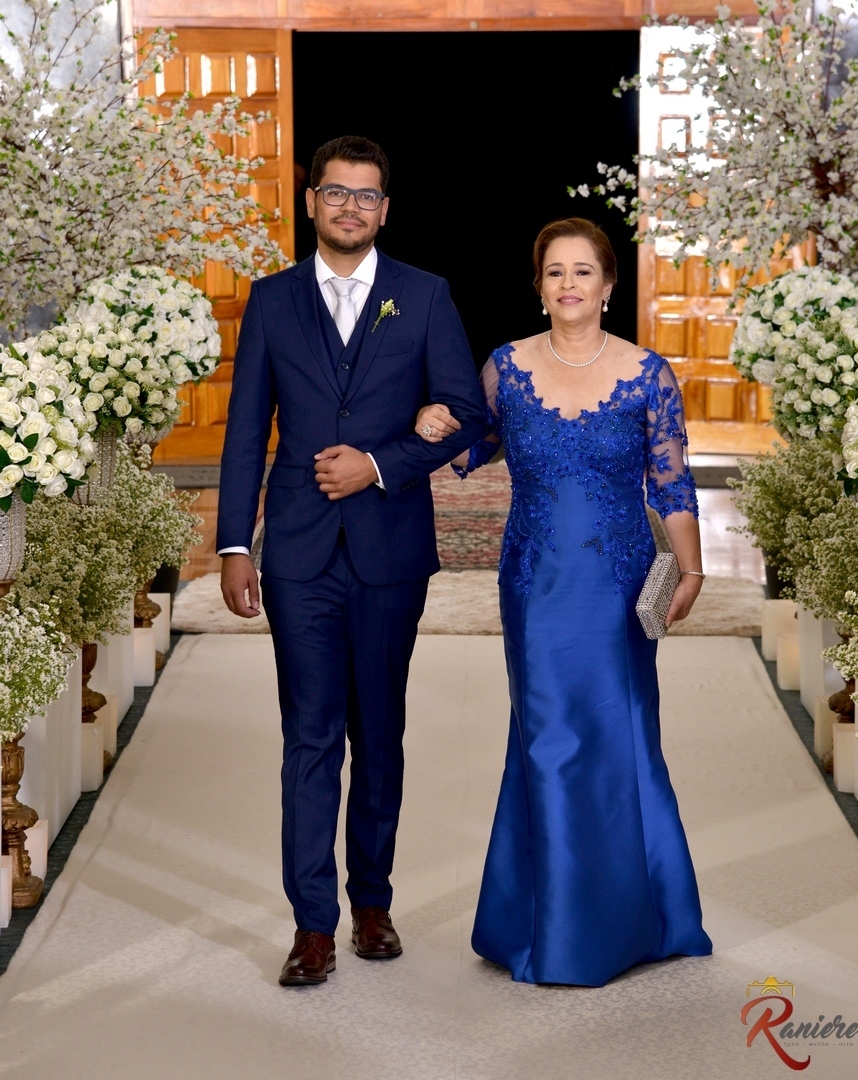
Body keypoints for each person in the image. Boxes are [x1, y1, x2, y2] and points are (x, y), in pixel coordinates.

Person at [217, 135, 487, 986]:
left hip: (388, 551)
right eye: (335, 191)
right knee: (309, 734)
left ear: (384, 210)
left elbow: (467, 412)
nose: (349, 207)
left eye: (366, 195)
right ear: (310, 202)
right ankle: (312, 926)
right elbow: (244, 431)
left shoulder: (425, 295)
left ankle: (372, 902)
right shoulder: (270, 300)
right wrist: (234, 543)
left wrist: (378, 463)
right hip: (297, 554)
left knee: (377, 730)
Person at [415, 217, 713, 986]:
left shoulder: (647, 374)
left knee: (621, 735)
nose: (568, 284)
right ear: (538, 286)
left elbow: (670, 482)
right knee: (547, 739)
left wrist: (690, 568)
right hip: (535, 584)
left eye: (583, 271)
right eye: (555, 272)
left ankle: (641, 915)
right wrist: (435, 423)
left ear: (608, 285)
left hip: (618, 584)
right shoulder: (506, 367)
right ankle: (555, 929)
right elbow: (472, 447)